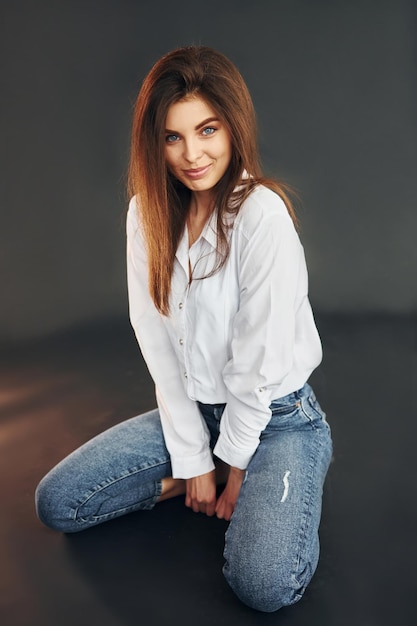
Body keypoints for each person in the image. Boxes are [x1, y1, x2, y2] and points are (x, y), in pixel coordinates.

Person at [35, 45, 333, 613]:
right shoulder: (145, 214)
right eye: (173, 137)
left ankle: (290, 479)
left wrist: (237, 466)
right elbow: (156, 339)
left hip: (277, 419)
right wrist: (195, 460)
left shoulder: (260, 215)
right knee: (60, 503)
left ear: (233, 126)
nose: (192, 154)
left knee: (264, 587)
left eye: (207, 130)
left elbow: (258, 359)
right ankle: (217, 467)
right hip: (197, 409)